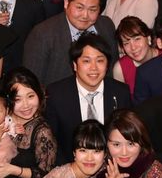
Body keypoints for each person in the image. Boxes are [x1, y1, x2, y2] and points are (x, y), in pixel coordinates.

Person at [45, 33, 132, 164]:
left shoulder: (120, 92)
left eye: (100, 61)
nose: (94, 68)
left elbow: (128, 137)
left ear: (107, 65)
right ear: (75, 65)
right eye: (86, 61)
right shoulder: (56, 94)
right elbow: (52, 143)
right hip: (70, 168)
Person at [22, 0, 117, 85]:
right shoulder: (43, 34)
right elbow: (31, 83)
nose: (85, 15)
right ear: (66, 3)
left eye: (92, 10)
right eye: (79, 8)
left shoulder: (106, 26)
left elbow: (112, 72)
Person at [112, 16, 160, 98]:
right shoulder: (120, 68)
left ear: (148, 38)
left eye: (137, 39)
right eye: (126, 43)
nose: (133, 47)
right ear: (122, 48)